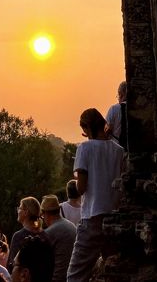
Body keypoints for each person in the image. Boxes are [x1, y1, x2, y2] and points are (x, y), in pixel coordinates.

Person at [66, 109, 125, 282]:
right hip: (114, 216)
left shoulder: (85, 148)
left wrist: (77, 180)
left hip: (92, 216)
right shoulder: (119, 150)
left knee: (75, 275)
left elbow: (82, 188)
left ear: (87, 128)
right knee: (112, 270)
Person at [39, 196, 76, 282]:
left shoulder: (49, 233)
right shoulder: (71, 226)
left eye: (42, 216)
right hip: (74, 276)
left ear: (45, 214)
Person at [8, 199, 41, 266]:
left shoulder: (18, 236)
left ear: (26, 212)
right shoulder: (44, 235)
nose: (18, 211)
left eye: (19, 208)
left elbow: (11, 265)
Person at [105, 82, 127, 149]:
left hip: (117, 150)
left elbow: (106, 132)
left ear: (121, 94)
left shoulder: (114, 109)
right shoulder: (140, 108)